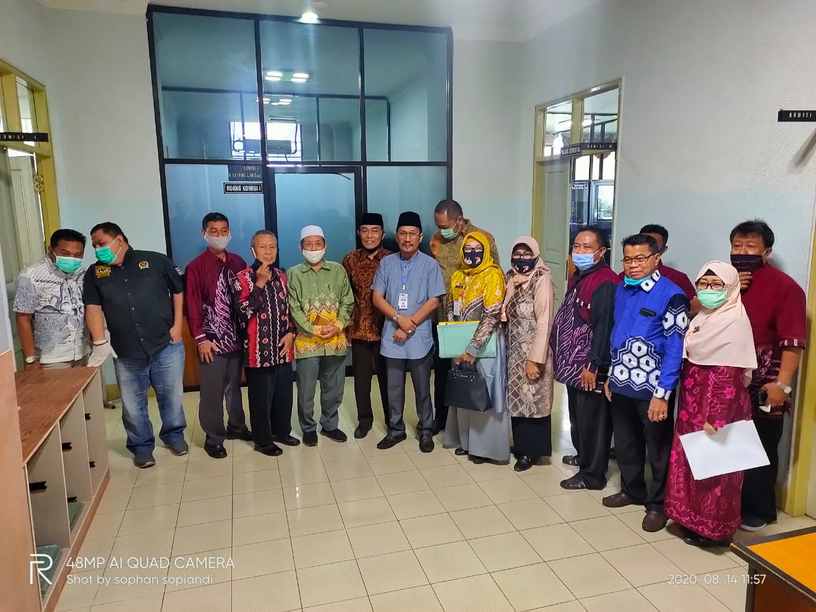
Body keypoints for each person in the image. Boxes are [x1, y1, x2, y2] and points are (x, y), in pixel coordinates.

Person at [665, 261, 757, 546]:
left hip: (718, 411)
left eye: (716, 285)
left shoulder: (734, 323)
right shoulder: (703, 318)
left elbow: (729, 378)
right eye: (703, 284)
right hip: (692, 406)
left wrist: (716, 418)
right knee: (691, 465)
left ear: (730, 288)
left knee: (717, 472)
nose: (708, 290)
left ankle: (713, 532)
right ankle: (690, 521)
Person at [602, 233, 689, 532]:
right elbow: (618, 334)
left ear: (656, 258)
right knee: (626, 443)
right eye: (628, 259)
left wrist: (662, 394)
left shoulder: (672, 295)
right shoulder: (623, 289)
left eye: (640, 258)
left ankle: (658, 504)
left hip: (653, 388)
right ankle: (632, 490)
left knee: (658, 448)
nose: (633, 265)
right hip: (621, 381)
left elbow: (675, 348)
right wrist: (611, 376)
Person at [83, 222, 187, 468]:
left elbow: (178, 290)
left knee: (171, 396)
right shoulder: (95, 273)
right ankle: (141, 447)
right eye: (94, 245)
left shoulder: (155, 261)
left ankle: (174, 435)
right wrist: (99, 341)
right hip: (126, 350)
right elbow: (93, 307)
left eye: (101, 243)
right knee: (132, 404)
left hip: (165, 344)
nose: (97, 250)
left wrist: (177, 326)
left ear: (119, 240)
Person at [730, 220, 806, 531]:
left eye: (750, 246)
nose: (742, 252)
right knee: (728, 444)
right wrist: (729, 289)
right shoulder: (725, 280)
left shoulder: (786, 287)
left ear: (767, 251)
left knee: (760, 445)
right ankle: (727, 505)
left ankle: (759, 511)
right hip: (727, 383)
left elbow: (793, 342)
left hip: (765, 382)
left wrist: (782, 384)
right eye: (737, 246)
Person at [373, 211, 446, 452]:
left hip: (419, 338)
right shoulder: (386, 263)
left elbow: (434, 300)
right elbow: (377, 297)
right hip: (392, 336)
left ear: (420, 237)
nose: (407, 239)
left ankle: (426, 430)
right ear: (397, 236)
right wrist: (398, 319)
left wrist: (410, 323)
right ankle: (396, 430)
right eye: (402, 233)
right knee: (393, 389)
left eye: (412, 234)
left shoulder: (430, 265)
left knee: (422, 387)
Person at [552, 227, 619, 487]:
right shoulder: (580, 276)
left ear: (601, 252)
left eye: (587, 247)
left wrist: (593, 365)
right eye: (576, 246)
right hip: (574, 366)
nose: (579, 251)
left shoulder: (605, 282)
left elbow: (604, 328)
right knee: (578, 416)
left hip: (589, 366)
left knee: (593, 422)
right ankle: (584, 457)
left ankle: (592, 475)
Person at [429, 199, 500, 434]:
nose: (441, 230)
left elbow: (495, 274)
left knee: (475, 374)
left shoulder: (482, 238)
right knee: (443, 372)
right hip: (445, 318)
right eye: (438, 225)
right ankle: (443, 420)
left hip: (476, 321)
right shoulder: (436, 240)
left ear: (459, 220)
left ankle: (477, 430)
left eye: (445, 225)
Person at [184, 212, 250, 459]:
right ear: (204, 233)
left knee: (235, 386)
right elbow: (192, 305)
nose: (220, 235)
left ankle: (237, 426)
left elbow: (246, 297)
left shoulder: (238, 261)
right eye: (214, 231)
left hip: (237, 337)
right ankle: (214, 437)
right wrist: (200, 338)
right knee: (212, 391)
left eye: (224, 231)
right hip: (211, 339)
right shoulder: (195, 267)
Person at [443, 231, 510, 464]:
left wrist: (473, 348)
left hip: (485, 345)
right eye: (468, 249)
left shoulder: (493, 274)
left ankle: (485, 449)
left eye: (477, 250)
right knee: (464, 390)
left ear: (486, 251)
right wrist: (455, 344)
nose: (472, 254)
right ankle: (466, 442)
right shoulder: (458, 274)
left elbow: (491, 315)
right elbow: (450, 308)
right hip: (459, 344)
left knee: (484, 392)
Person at [288, 225, 354, 447]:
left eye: (318, 244)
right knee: (306, 390)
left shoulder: (338, 270)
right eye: (309, 244)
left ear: (325, 246)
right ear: (301, 248)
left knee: (333, 387)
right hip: (307, 342)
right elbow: (293, 308)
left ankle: (330, 425)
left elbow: (348, 301)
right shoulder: (294, 274)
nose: (313, 248)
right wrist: (314, 329)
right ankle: (308, 428)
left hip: (335, 341)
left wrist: (338, 325)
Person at [233, 230, 298, 456]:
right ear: (253, 250)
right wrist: (259, 283)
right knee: (261, 399)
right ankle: (262, 440)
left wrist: (291, 333)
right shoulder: (242, 278)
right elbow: (242, 313)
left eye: (272, 247)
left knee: (283, 395)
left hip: (282, 347)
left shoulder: (282, 276)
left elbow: (290, 309)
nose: (268, 251)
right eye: (263, 247)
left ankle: (282, 432)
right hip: (257, 351)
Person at [502, 237, 555, 471]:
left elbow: (544, 321)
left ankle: (532, 452)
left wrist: (535, 359)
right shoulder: (510, 277)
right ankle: (521, 446)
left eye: (526, 253)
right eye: (517, 253)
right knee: (517, 401)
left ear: (535, 254)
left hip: (534, 350)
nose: (521, 258)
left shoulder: (541, 278)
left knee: (533, 400)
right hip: (513, 350)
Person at [342, 213, 392, 439]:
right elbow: (344, 295)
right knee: (361, 381)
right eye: (365, 230)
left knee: (388, 380)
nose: (369, 235)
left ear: (382, 234)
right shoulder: (350, 260)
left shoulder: (391, 259)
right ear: (358, 233)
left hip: (387, 330)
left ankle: (392, 420)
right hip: (359, 331)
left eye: (374, 230)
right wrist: (345, 327)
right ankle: (364, 421)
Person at [14, 228, 89, 369]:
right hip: (51, 359)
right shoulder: (31, 276)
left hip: (83, 352)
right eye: (65, 253)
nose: (72, 258)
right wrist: (30, 359)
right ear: (51, 250)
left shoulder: (83, 274)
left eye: (78, 255)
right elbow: (23, 318)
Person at [634, 224, 696, 301]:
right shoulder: (623, 277)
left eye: (653, 246)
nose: (647, 249)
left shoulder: (679, 279)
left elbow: (692, 306)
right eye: (643, 244)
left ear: (664, 249)